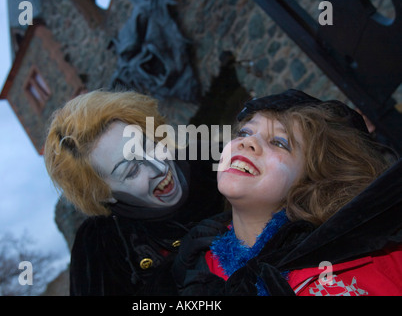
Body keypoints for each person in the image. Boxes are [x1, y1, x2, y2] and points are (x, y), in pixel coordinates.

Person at [172, 89, 402, 296]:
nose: (247, 142)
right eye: (243, 132)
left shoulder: (377, 252)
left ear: (314, 177)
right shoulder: (190, 271)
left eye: (279, 143)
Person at [44, 90, 225, 295]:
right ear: (104, 194)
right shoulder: (100, 248)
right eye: (131, 170)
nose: (160, 167)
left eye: (149, 145)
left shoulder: (217, 161)